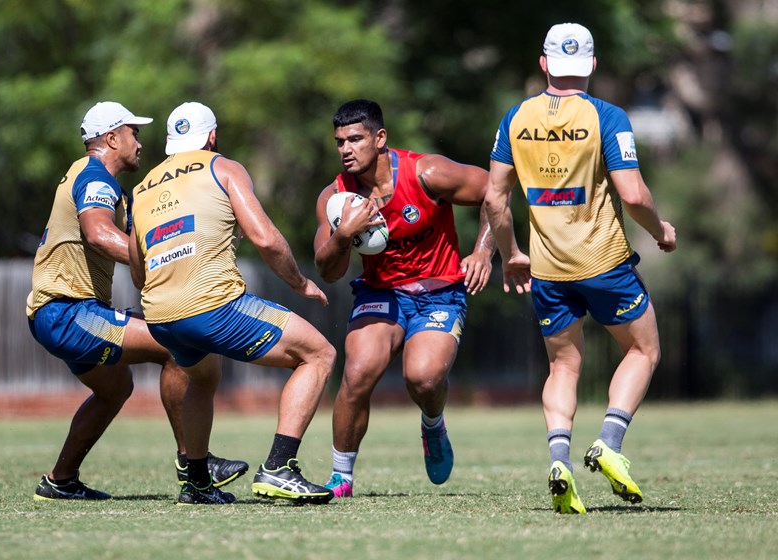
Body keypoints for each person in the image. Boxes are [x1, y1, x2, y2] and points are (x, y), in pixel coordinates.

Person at [484, 23, 677, 514]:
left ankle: (559, 460)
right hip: (604, 262)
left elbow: (494, 199)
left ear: (543, 64)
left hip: (548, 268)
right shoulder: (607, 116)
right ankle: (609, 443)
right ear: (592, 64)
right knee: (643, 350)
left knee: (563, 366)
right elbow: (633, 194)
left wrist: (511, 254)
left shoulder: (515, 118)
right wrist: (660, 230)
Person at [27, 101, 248, 501]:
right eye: (134, 133)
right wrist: (155, 257)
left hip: (60, 311)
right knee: (176, 344)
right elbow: (98, 233)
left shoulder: (103, 184)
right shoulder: (95, 177)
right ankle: (194, 465)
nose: (140, 142)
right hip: (67, 311)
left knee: (115, 388)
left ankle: (61, 480)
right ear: (112, 138)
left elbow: (154, 233)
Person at [129, 101, 336, 506]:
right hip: (212, 307)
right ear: (211, 136)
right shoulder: (223, 167)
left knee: (202, 378)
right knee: (318, 354)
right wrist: (300, 283)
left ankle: (196, 482)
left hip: (160, 317)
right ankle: (279, 467)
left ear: (170, 141)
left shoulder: (141, 190)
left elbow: (138, 271)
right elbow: (265, 239)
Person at [313, 99, 503, 497]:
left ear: (380, 138)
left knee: (424, 378)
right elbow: (327, 270)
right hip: (380, 291)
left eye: (355, 139)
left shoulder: (426, 172)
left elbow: (495, 190)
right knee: (357, 373)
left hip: (439, 293)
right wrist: (343, 235)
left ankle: (433, 424)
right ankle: (341, 477)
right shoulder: (336, 197)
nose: (346, 149)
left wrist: (484, 251)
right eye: (339, 142)